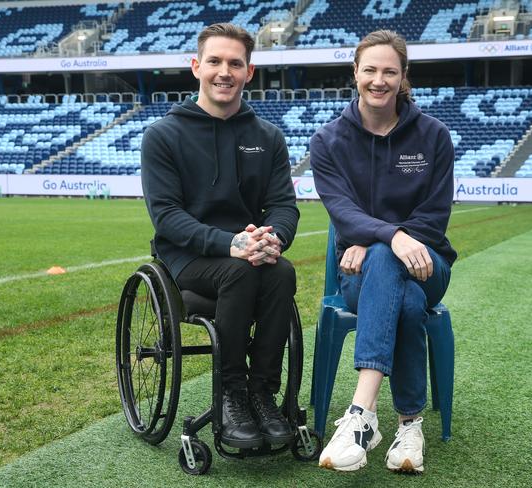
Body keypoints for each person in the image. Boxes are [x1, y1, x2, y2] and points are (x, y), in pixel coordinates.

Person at [140, 23, 300, 449]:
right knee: (240, 272)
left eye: (235, 63)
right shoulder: (162, 135)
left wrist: (275, 238)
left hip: (248, 251)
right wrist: (231, 244)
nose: (224, 71)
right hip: (188, 256)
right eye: (214, 61)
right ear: (196, 67)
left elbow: (284, 205)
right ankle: (231, 392)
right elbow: (166, 216)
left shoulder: (267, 137)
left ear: (249, 72)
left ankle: (262, 392)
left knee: (282, 272)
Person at [310, 30, 457, 473]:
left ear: (403, 76)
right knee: (404, 300)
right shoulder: (328, 140)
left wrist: (376, 238)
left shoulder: (433, 136)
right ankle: (409, 424)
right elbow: (341, 212)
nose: (379, 80)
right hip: (359, 276)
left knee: (395, 267)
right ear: (355, 72)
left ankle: (361, 415)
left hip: (429, 265)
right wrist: (390, 238)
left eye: (389, 71)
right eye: (370, 70)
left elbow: (433, 218)